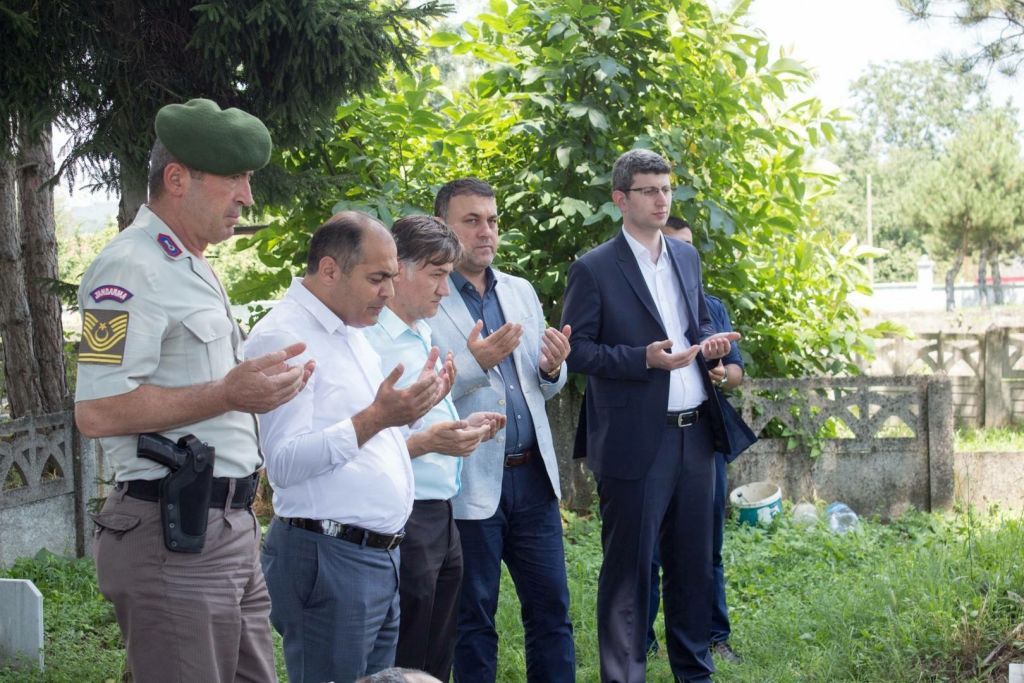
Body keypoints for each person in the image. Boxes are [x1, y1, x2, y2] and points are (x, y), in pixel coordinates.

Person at [76, 98, 314, 682]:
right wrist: (229, 394)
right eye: (234, 178)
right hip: (172, 535)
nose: (248, 197)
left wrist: (247, 392)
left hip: (225, 528)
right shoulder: (127, 269)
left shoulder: (190, 263)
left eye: (249, 179)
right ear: (178, 178)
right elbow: (98, 411)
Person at [246, 212, 472, 683]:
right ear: (330, 270)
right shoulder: (284, 336)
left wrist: (406, 411)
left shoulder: (353, 330)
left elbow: (363, 431)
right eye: (377, 278)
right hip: (330, 556)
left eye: (391, 277)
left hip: (378, 554)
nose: (389, 292)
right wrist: (378, 419)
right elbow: (283, 464)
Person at [561, 149, 740, 683]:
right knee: (629, 577)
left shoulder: (686, 258)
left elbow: (697, 323)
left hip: (696, 437)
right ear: (621, 199)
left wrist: (712, 350)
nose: (662, 199)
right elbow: (579, 351)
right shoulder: (593, 268)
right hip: (637, 443)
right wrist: (642, 358)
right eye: (649, 190)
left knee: (692, 568)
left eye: (667, 189)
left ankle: (695, 673)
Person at [428, 178, 577, 682]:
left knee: (553, 612)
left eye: (491, 220)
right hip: (471, 482)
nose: (486, 231)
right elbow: (421, 396)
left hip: (533, 479)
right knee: (473, 619)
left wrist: (554, 368)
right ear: (442, 228)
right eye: (471, 221)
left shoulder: (519, 291)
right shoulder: (429, 296)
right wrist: (474, 364)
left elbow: (539, 387)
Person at [364, 214, 506, 681]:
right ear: (398, 268)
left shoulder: (422, 332)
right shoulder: (369, 341)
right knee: (402, 658)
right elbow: (358, 442)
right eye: (437, 275)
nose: (445, 291)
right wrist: (428, 442)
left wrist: (462, 426)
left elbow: (420, 421)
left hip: (442, 511)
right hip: (403, 514)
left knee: (437, 655)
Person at [644, 217, 745, 664]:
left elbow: (737, 373)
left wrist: (722, 374)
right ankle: (641, 640)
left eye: (687, 251)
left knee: (707, 546)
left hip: (704, 439)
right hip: (652, 443)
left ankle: (713, 635)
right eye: (672, 249)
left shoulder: (712, 307)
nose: (681, 259)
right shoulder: (647, 304)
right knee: (646, 552)